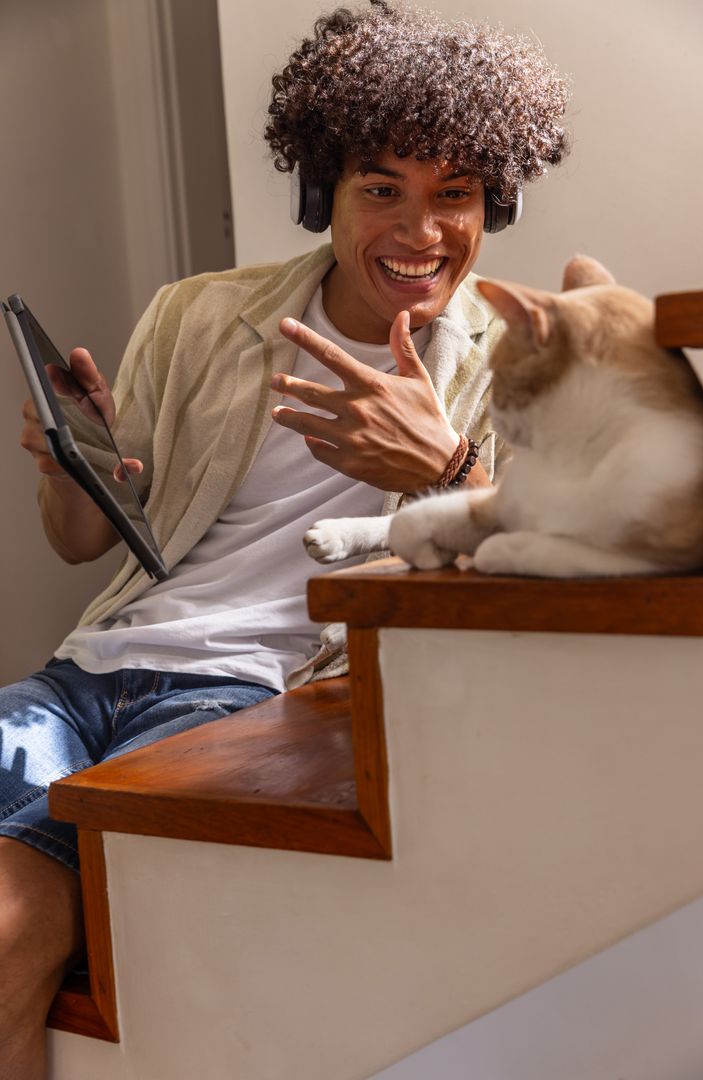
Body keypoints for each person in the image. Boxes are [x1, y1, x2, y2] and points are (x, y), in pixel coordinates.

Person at [0, 1, 569, 1075]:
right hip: (87, 672)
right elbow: (84, 544)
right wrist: (71, 465)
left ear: (497, 196)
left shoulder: (525, 358)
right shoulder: (198, 315)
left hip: (255, 697)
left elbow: (544, 593)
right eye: (381, 189)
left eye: (454, 194)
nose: (420, 232)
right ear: (324, 192)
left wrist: (448, 470)